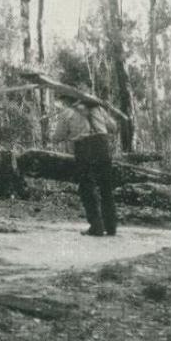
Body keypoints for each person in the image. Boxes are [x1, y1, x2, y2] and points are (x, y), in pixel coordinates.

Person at [53, 93, 118, 237]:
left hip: (85, 148)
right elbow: (113, 127)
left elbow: (57, 136)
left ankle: (97, 227)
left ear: (67, 100)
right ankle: (111, 226)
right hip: (102, 145)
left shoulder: (68, 112)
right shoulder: (97, 108)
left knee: (87, 188)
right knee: (106, 186)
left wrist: (62, 136)